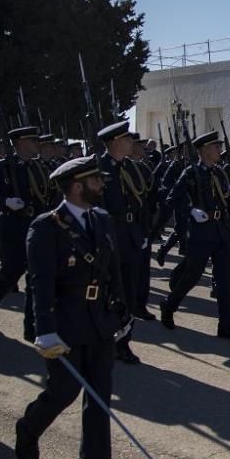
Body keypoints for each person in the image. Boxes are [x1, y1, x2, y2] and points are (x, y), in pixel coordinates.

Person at [14, 156, 129, 459]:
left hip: (99, 320)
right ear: (77, 186)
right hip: (65, 322)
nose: (101, 185)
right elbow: (41, 282)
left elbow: (112, 269)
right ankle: (29, 428)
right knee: (64, 391)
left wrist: (121, 310)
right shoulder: (46, 226)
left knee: (99, 392)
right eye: (95, 181)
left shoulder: (102, 219)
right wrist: (44, 329)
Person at [158, 131, 230, 340]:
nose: (219, 151)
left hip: (220, 230)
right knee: (192, 275)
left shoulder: (218, 173)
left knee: (224, 281)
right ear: (204, 150)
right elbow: (172, 198)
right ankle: (169, 306)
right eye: (216, 147)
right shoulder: (191, 172)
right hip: (200, 231)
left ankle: (225, 325)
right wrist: (191, 210)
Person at [0, 126, 53, 338]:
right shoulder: (4, 166)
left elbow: (47, 195)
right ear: (20, 144)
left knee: (35, 277)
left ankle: (31, 327)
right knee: (11, 273)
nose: (37, 144)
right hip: (14, 226)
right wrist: (6, 202)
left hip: (36, 226)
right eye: (32, 140)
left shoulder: (38, 166)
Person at [96, 122, 151, 365]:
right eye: (128, 139)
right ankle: (100, 338)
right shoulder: (98, 168)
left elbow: (141, 200)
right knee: (105, 292)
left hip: (129, 235)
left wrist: (144, 231)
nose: (132, 143)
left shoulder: (130, 167)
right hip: (108, 235)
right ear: (116, 141)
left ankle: (123, 343)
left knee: (128, 291)